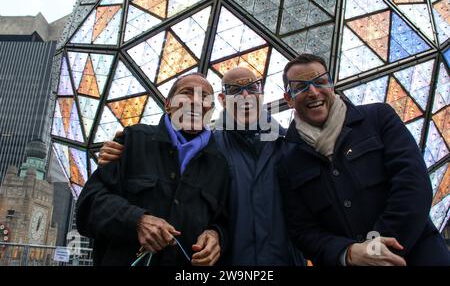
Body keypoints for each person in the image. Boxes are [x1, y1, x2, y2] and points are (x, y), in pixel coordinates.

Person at [99, 67, 304, 266]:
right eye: (234, 90)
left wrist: (216, 233)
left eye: (252, 87)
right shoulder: (211, 150)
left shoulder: (291, 144)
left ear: (261, 93)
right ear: (223, 101)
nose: (245, 95)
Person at [278, 53, 450, 266]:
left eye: (319, 82)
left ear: (331, 85)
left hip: (419, 256)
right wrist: (348, 253)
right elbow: (302, 230)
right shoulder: (287, 159)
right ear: (288, 99)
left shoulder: (378, 118)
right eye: (301, 87)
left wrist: (377, 249)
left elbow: (413, 184)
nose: (313, 92)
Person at [76, 73, 230, 266]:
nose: (196, 102)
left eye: (205, 97)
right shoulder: (132, 140)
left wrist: (216, 236)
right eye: (186, 93)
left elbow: (224, 221)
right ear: (167, 104)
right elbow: (87, 206)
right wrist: (136, 221)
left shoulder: (220, 164)